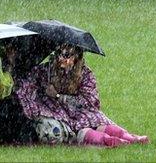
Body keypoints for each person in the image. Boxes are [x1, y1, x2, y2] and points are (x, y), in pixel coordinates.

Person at [15, 43, 149, 147]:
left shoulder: (85, 74)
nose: (62, 58)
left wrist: (58, 96)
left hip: (81, 112)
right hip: (59, 113)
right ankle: (115, 142)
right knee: (82, 133)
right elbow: (26, 82)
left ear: (76, 57)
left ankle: (132, 139)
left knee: (98, 123)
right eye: (59, 54)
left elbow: (88, 101)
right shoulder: (46, 70)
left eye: (67, 55)